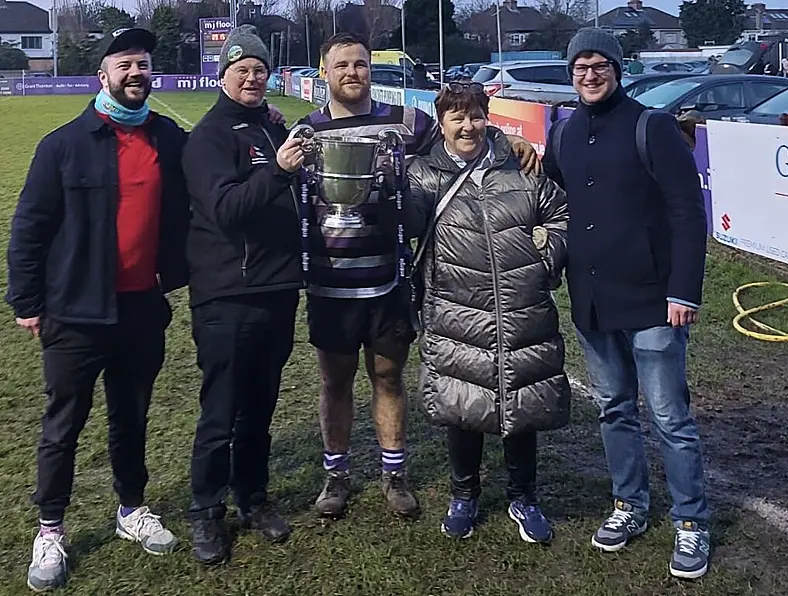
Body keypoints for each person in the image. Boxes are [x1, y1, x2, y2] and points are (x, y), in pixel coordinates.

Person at [296, 32, 539, 521]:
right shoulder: (306, 131)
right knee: (334, 382)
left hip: (389, 276)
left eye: (360, 64)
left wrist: (503, 137)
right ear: (323, 72)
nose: (352, 73)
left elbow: (458, 135)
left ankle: (394, 474)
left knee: (388, 377)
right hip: (330, 280)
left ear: (370, 69)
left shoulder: (405, 121)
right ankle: (337, 474)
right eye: (341, 65)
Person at [6, 27, 189, 592]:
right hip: (74, 313)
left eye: (144, 64)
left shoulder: (168, 137)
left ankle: (131, 508)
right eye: (126, 64)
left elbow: (211, 167)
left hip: (139, 309)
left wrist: (266, 129)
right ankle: (50, 528)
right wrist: (27, 302)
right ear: (103, 74)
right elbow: (30, 228)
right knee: (63, 425)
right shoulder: (62, 144)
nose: (137, 73)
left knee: (130, 418)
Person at [542, 28, 710, 579]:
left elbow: (687, 213)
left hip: (654, 302)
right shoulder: (563, 134)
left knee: (669, 418)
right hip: (593, 301)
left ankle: (691, 523)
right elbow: (550, 196)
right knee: (615, 409)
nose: (589, 75)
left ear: (616, 69)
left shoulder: (651, 126)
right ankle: (629, 505)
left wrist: (683, 290)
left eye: (599, 65)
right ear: (570, 75)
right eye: (579, 67)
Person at [405, 82, 570, 542]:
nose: (467, 126)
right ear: (441, 123)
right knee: (463, 405)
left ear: (487, 116)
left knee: (522, 404)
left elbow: (561, 214)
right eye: (456, 117)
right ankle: (465, 495)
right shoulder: (423, 174)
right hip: (456, 311)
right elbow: (410, 221)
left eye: (475, 115)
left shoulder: (518, 166)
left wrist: (545, 257)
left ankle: (524, 497)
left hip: (520, 307)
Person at [181, 25, 305, 565]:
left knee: (259, 407)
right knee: (221, 411)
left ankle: (252, 497)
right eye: (242, 70)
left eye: (259, 69)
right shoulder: (209, 136)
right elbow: (227, 208)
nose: (253, 77)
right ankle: (206, 511)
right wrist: (278, 172)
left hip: (277, 290)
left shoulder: (269, 127)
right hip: (228, 295)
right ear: (223, 75)